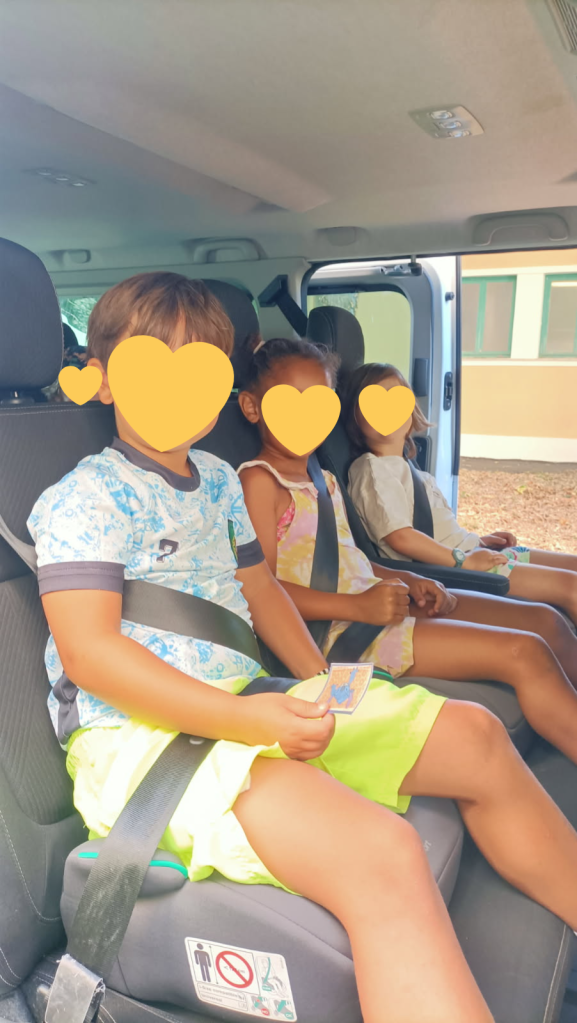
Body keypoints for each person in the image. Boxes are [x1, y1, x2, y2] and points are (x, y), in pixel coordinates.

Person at [26, 282, 577, 1023]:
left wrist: (324, 685)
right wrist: (245, 720)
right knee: (382, 852)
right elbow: (90, 656)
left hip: (247, 696)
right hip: (141, 741)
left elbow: (260, 590)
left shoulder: (218, 481)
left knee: (475, 735)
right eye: (153, 366)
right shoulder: (83, 499)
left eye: (201, 369)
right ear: (101, 378)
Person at [237, 337, 577, 761]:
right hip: (339, 633)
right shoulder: (259, 482)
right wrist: (359, 607)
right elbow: (262, 591)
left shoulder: (323, 480)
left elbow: (352, 561)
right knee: (524, 652)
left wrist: (408, 578)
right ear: (252, 407)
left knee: (547, 621)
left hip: (376, 605)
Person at [343, 362, 577, 628]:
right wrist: (464, 561)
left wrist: (478, 541)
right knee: (571, 587)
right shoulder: (372, 470)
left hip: (471, 551)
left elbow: (438, 528)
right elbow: (401, 537)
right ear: (355, 419)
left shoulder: (407, 468)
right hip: (457, 568)